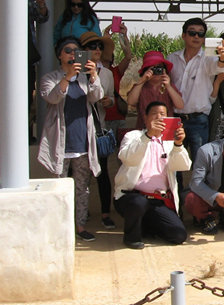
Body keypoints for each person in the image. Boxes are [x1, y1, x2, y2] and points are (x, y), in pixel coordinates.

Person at [38, 37, 104, 241]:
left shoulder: (85, 78)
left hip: (82, 144)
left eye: (76, 51)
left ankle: (80, 226)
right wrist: (67, 77)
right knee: (58, 188)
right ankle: (59, 227)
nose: (72, 54)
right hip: (59, 143)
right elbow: (52, 97)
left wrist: (93, 76)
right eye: (68, 50)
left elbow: (97, 97)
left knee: (82, 188)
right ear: (59, 55)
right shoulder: (50, 77)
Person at [113, 101, 191, 249]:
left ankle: (147, 226)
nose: (159, 118)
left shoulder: (169, 141)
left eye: (163, 114)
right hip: (131, 196)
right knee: (138, 203)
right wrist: (148, 136)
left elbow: (183, 166)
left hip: (158, 199)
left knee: (178, 235)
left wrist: (179, 144)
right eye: (155, 114)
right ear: (146, 117)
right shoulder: (133, 136)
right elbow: (127, 158)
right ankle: (131, 238)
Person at [167, 18, 224, 162]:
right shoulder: (172, 58)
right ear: (183, 35)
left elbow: (220, 67)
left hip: (198, 119)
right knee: (172, 162)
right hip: (174, 118)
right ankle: (178, 186)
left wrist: (222, 57)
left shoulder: (208, 59)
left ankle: (198, 185)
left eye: (200, 34)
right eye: (192, 33)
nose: (196, 37)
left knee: (199, 163)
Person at [80, 31, 117, 229]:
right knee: (78, 175)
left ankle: (105, 213)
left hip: (98, 128)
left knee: (102, 174)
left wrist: (109, 100)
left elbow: (111, 98)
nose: (96, 50)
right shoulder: (75, 70)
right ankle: (79, 213)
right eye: (92, 46)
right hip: (78, 130)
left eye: (99, 47)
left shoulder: (108, 73)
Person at [126, 51, 184, 129]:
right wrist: (142, 81)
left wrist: (169, 86)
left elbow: (180, 105)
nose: (156, 72)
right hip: (144, 130)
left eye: (159, 68)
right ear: (146, 70)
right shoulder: (140, 87)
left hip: (165, 129)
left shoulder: (169, 87)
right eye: (153, 69)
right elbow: (130, 101)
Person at [29, 0, 49, 137]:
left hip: (26, 59)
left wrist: (41, 2)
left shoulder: (27, 3)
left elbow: (42, 17)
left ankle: (27, 133)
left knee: (27, 96)